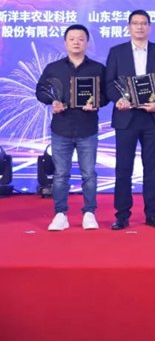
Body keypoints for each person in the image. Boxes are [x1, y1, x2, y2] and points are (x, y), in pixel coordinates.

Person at [35, 24, 108, 231]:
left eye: (81, 39)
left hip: (87, 128)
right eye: (72, 39)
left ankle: (89, 213)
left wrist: (97, 103)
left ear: (87, 43)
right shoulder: (54, 68)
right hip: (61, 128)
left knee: (89, 174)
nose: (76, 42)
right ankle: (60, 214)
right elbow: (40, 90)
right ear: (65, 42)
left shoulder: (98, 69)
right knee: (60, 175)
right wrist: (52, 101)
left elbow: (106, 95)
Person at [105, 10, 155, 230]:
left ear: (149, 27)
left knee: (152, 168)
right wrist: (118, 100)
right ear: (129, 27)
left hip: (152, 117)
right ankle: (122, 216)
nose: (140, 27)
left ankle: (152, 214)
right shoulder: (117, 52)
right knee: (123, 169)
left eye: (144, 23)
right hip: (126, 118)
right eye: (135, 23)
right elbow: (109, 83)